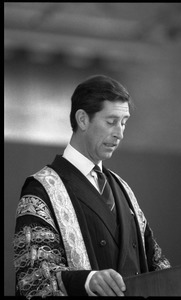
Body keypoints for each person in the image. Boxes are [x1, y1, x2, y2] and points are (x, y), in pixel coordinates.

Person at [13, 74, 171, 298]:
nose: (120, 133)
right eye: (111, 122)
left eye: (124, 123)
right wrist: (87, 280)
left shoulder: (123, 189)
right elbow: (35, 277)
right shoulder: (42, 190)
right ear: (83, 119)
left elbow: (156, 262)